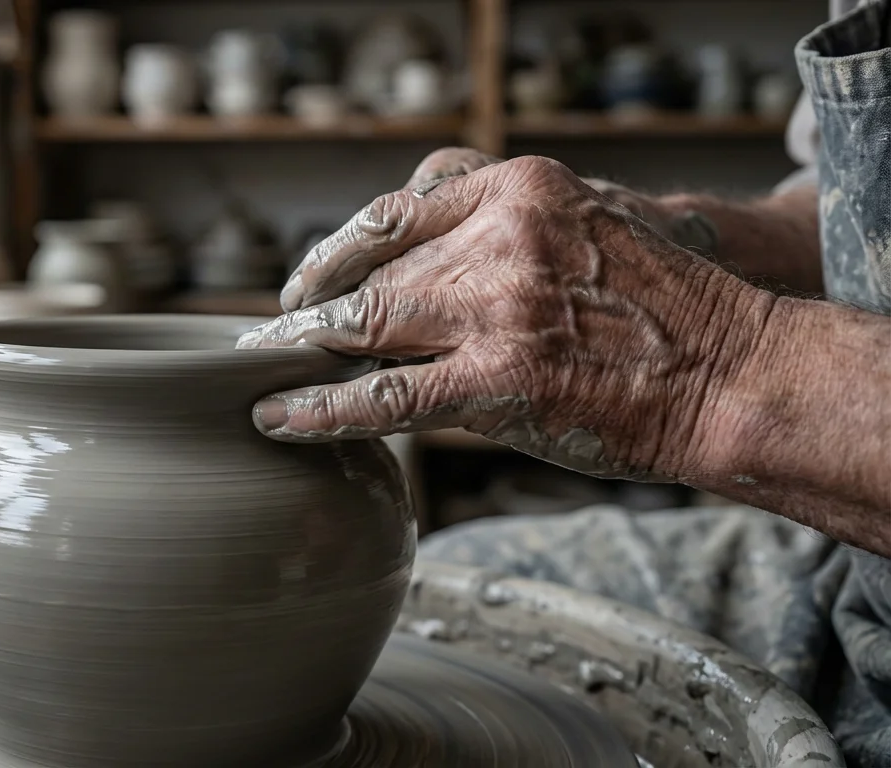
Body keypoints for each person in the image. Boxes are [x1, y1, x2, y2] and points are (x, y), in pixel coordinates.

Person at [239, 2, 891, 764]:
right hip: (852, 574)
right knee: (440, 583)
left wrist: (711, 363)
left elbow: (722, 353)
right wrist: (659, 235)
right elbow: (845, 219)